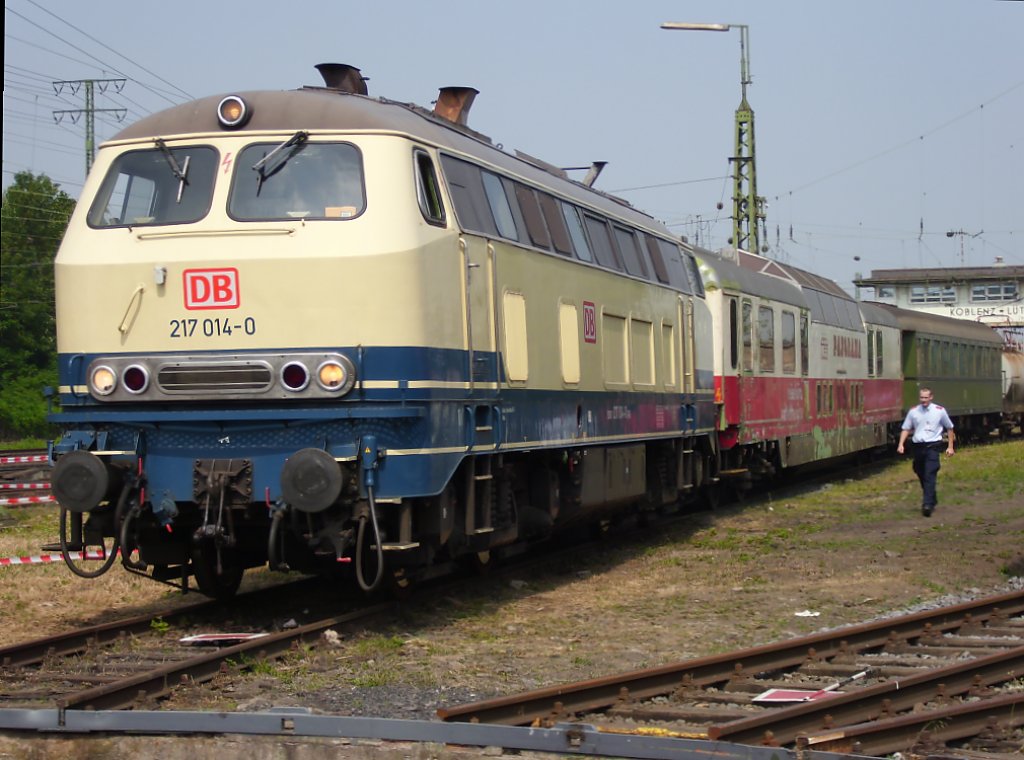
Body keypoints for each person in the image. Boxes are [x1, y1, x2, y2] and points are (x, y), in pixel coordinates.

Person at [896, 387, 955, 517]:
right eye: (921, 397)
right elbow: (906, 428)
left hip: (933, 447)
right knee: (919, 471)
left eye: (926, 397)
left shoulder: (939, 411)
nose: (923, 400)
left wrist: (950, 447)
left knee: (930, 473)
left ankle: (927, 505)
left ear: (931, 397)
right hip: (918, 447)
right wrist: (901, 444)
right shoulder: (914, 411)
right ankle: (932, 497)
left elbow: (949, 428)